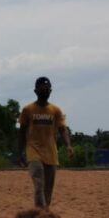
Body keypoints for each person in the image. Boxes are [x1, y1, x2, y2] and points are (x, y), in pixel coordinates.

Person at [16, 76, 73, 209]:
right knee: (39, 183)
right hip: (33, 152)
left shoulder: (56, 111)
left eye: (47, 89)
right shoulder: (27, 110)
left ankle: (44, 212)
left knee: (48, 190)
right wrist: (19, 153)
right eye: (42, 89)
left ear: (50, 91)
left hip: (51, 153)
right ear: (35, 91)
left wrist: (68, 145)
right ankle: (39, 213)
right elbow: (22, 132)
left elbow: (62, 129)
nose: (45, 92)